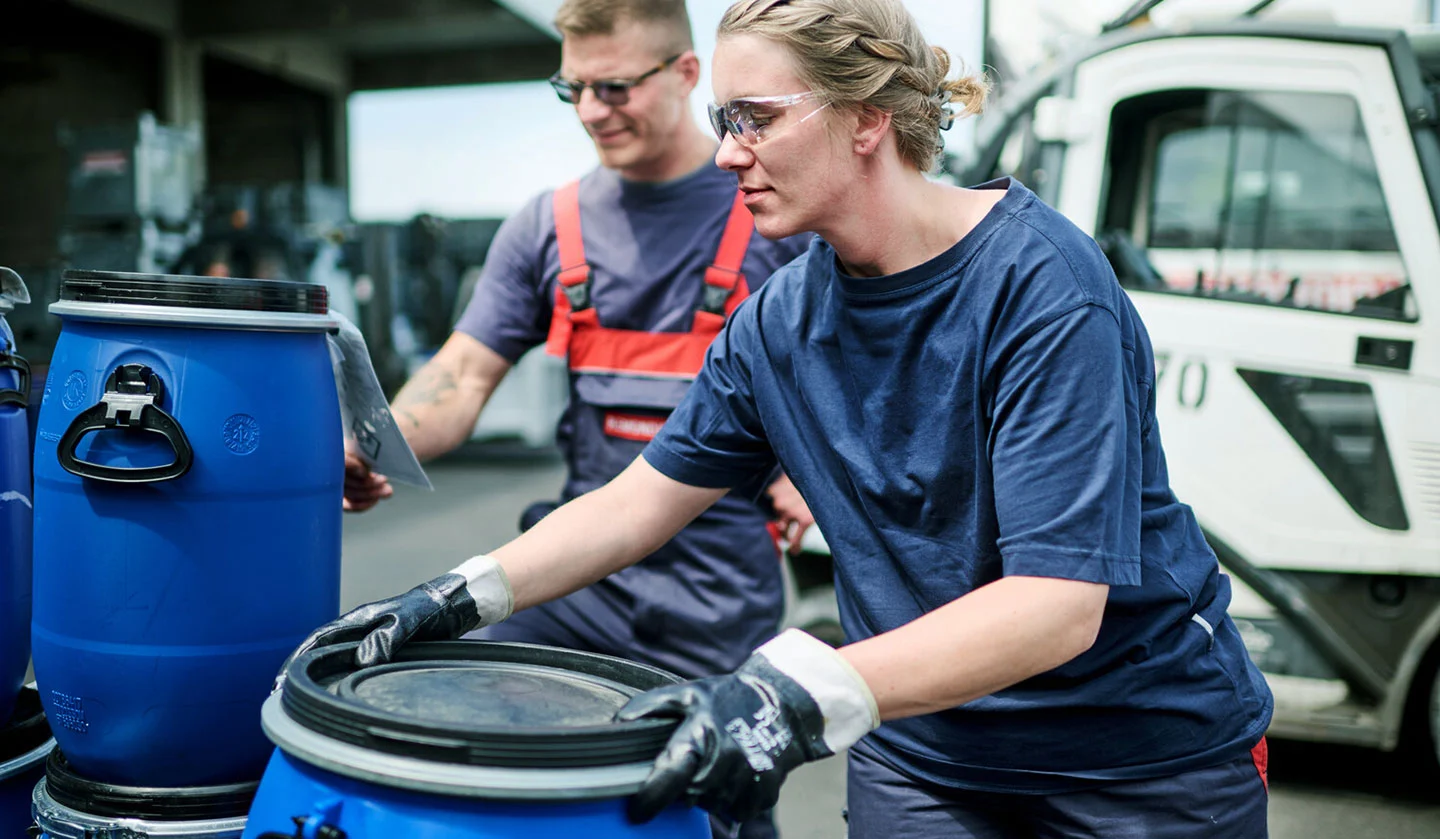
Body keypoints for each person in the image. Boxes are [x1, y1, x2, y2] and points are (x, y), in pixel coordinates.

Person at [291, 0, 1274, 836]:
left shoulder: (1042, 287)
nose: (726, 152)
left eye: (756, 118)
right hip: (925, 749)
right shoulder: (780, 320)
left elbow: (1056, 603)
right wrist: (453, 596)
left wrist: (793, 692)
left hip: (1133, 760)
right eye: (724, 119)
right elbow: (637, 505)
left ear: (864, 119)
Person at [339, 1, 810, 836]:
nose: (593, 110)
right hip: (573, 580)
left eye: (617, 86)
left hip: (715, 599)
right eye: (574, 88)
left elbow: (841, 386)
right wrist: (375, 443)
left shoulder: (773, 214)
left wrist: (812, 478)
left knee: (713, 802)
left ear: (687, 74)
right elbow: (459, 373)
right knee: (455, 729)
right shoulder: (545, 227)